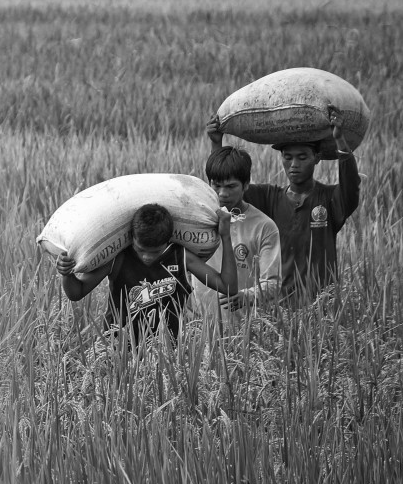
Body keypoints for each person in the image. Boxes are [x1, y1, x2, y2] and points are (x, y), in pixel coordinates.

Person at [207, 106, 360, 305]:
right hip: (277, 306)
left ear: (317, 158)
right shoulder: (269, 197)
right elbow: (226, 188)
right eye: (288, 157)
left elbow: (351, 185)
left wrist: (340, 139)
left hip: (322, 306)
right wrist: (216, 143)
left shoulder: (330, 199)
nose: (294, 164)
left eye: (302, 157)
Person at [56, 203, 237, 344]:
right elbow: (76, 293)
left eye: (155, 252)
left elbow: (227, 286)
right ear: (131, 238)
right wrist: (66, 274)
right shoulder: (118, 258)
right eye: (140, 249)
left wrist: (226, 237)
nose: (147, 257)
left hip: (167, 352)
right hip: (118, 349)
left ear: (168, 242)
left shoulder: (180, 256)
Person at [192, 146, 282, 323]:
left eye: (231, 186)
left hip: (245, 328)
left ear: (246, 184)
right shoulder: (196, 218)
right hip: (200, 324)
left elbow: (273, 283)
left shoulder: (264, 227)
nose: (222, 193)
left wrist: (245, 297)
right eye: (216, 185)